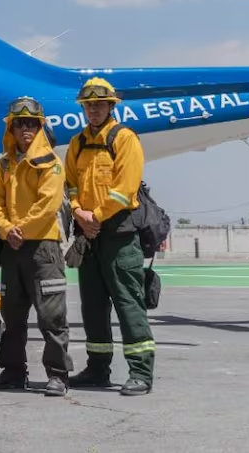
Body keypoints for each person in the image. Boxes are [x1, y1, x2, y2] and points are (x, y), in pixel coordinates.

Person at [64, 77, 155, 396]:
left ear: (111, 106)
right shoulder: (76, 143)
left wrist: (95, 217)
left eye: (99, 104)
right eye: (88, 105)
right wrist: (79, 212)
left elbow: (125, 188)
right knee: (92, 307)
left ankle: (141, 372)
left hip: (119, 236)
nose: (93, 110)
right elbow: (71, 184)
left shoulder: (124, 138)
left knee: (129, 304)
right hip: (89, 237)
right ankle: (98, 369)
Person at [0, 95, 71, 397]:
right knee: (12, 316)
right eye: (19, 123)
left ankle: (58, 375)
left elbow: (48, 205)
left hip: (43, 248)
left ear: (39, 128)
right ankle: (13, 371)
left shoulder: (51, 163)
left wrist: (18, 229)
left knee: (51, 316)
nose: (25, 129)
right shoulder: (4, 165)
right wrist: (6, 229)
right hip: (13, 248)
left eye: (31, 124)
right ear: (11, 128)